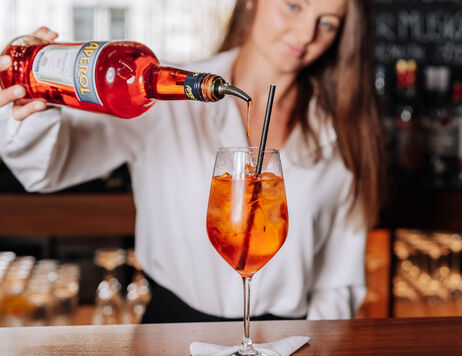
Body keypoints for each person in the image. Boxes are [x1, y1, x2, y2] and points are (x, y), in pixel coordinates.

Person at [0, 0, 383, 322]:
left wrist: (313, 348)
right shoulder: (162, 98)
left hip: (287, 342)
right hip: (170, 332)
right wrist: (34, 106)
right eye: (294, 5)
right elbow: (46, 170)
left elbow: (338, 282)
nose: (305, 34)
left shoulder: (341, 133)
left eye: (327, 23)